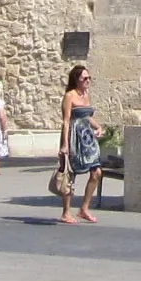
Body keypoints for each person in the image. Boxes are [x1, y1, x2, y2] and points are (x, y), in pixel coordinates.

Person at [58, 64, 104, 224]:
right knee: (70, 174)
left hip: (88, 139)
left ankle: (84, 208)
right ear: (76, 79)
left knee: (96, 172)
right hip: (73, 137)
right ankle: (66, 212)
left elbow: (87, 116)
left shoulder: (86, 94)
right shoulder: (69, 96)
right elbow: (66, 121)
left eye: (89, 77)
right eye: (85, 78)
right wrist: (64, 145)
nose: (88, 80)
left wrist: (98, 127)